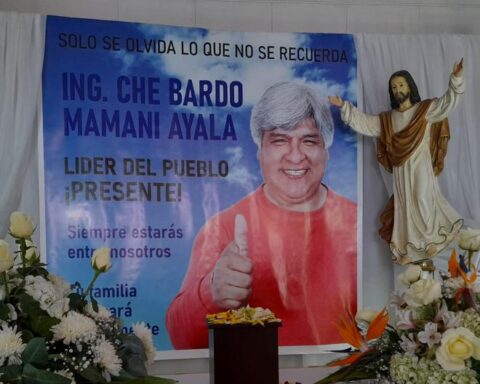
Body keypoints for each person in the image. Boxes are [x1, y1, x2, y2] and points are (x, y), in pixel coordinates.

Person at [166, 82, 357, 349]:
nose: (295, 156)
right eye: (280, 140)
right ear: (260, 153)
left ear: (326, 151)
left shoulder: (361, 226)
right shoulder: (222, 229)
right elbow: (181, 338)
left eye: (309, 141)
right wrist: (211, 293)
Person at [329, 59, 465, 265]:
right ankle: (412, 245)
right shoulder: (388, 119)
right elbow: (366, 123)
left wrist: (456, 79)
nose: (397, 89)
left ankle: (430, 239)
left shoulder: (424, 110)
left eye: (401, 84)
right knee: (406, 205)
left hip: (420, 166)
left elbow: (447, 103)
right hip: (402, 171)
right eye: (394, 87)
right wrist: (345, 107)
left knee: (422, 198)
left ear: (410, 86)